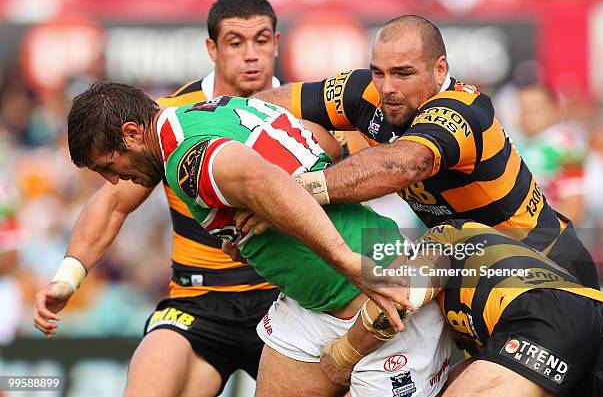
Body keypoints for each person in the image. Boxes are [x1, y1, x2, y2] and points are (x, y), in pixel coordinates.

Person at [32, 0, 340, 397]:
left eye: (262, 41)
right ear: (212, 48)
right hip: (200, 298)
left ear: (277, 44)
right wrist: (67, 279)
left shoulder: (305, 110)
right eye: (235, 42)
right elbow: (111, 203)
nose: (251, 55)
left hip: (290, 296)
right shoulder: (166, 117)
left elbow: (349, 187)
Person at [59, 83, 450, 397]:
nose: (114, 180)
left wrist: (342, 255)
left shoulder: (185, 159)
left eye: (109, 167)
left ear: (131, 134)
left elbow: (257, 177)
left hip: (376, 292)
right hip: (318, 301)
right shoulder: (218, 109)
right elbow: (322, 145)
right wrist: (257, 227)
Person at [254, 14, 599, 290]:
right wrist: (218, 116)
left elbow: (406, 163)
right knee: (374, 286)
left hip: (544, 269)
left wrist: (288, 193)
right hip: (465, 263)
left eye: (403, 73)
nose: (387, 87)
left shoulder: (463, 109)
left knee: (377, 290)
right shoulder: (366, 91)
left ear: (440, 69)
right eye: (378, 72)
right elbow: (267, 105)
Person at [320, 219, 603, 397]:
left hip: (544, 319)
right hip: (593, 315)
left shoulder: (439, 239)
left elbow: (402, 294)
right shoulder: (495, 255)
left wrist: (343, 355)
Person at [515, 84, 587, 225]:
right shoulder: (512, 141)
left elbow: (573, 206)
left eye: (536, 108)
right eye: (523, 108)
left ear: (554, 109)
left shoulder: (566, 147)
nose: (528, 114)